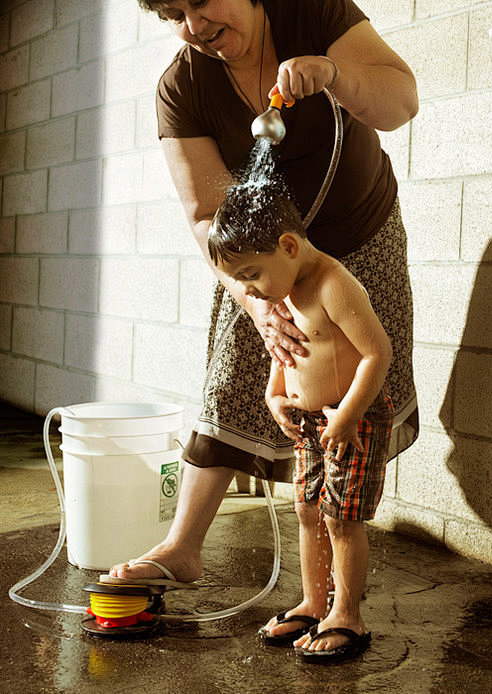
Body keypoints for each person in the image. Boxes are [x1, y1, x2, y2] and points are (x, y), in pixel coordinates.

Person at [108, 0, 420, 656]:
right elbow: (204, 211)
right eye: (172, 13)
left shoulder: (312, 12)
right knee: (237, 371)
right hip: (259, 254)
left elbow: (398, 103)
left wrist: (334, 73)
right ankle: (187, 549)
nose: (192, 25)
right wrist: (254, 301)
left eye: (200, 1)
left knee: (351, 418)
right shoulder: (184, 85)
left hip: (357, 230)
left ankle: (343, 604)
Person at [208, 185, 394, 658]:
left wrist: (348, 416)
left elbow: (377, 353)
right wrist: (275, 394)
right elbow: (285, 346)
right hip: (309, 422)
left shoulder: (332, 283)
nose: (248, 291)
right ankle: (314, 602)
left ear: (289, 246)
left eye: (251, 275)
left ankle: (348, 614)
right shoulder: (283, 286)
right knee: (308, 510)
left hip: (352, 420)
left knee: (340, 518)